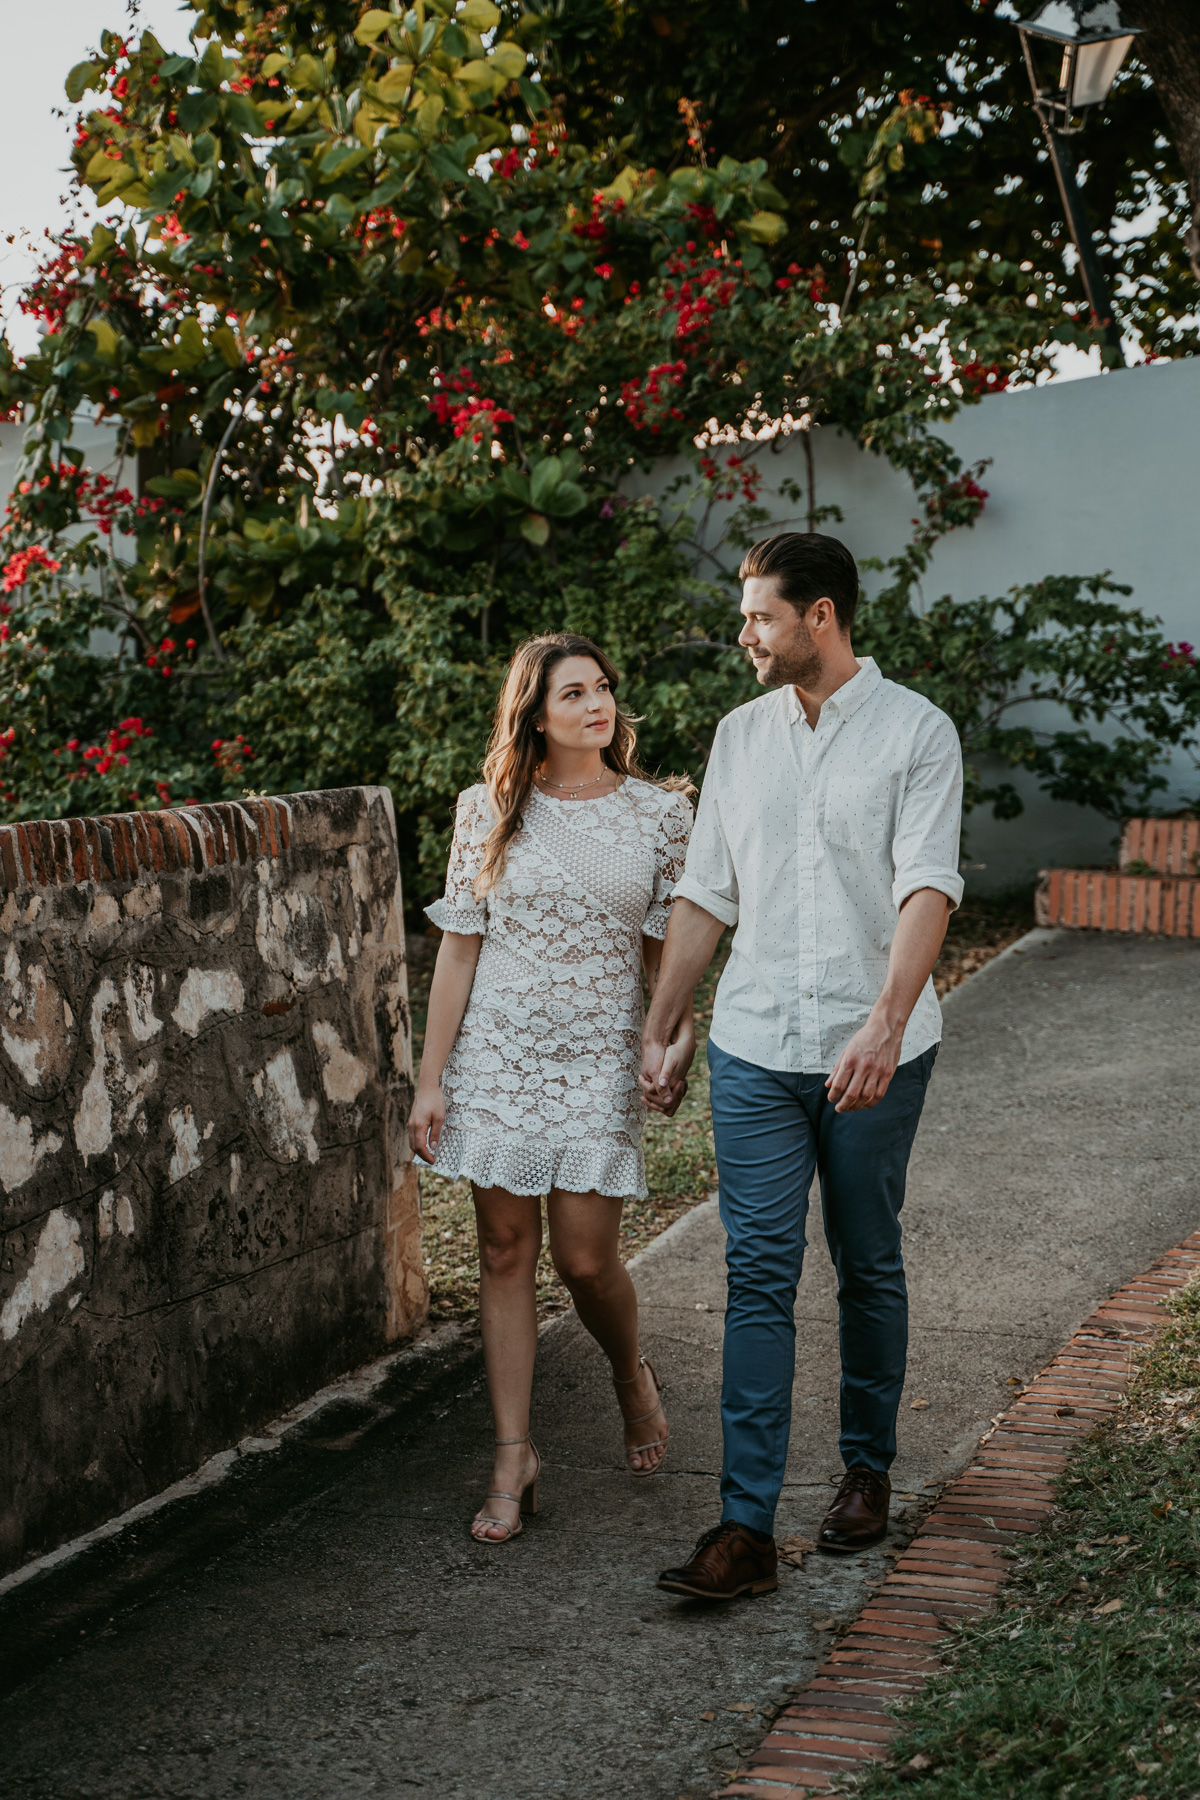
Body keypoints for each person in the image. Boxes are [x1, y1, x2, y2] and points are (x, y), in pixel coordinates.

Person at [642, 531, 964, 1601]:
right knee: (757, 1275)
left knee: (866, 1260)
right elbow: (708, 891)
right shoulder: (740, 738)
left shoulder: (917, 732)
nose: (745, 634)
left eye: (760, 617)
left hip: (877, 1050)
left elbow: (928, 885)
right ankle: (743, 1527)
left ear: (819, 617)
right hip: (756, 1044)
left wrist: (884, 1019)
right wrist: (667, 1018)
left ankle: (865, 1472)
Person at [409, 632, 695, 1544]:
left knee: (581, 1258)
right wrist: (431, 1080)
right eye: (574, 693)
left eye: (603, 688)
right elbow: (460, 948)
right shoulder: (486, 810)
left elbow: (668, 960)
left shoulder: (659, 815)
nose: (597, 705)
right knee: (502, 1249)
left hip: (596, 1056)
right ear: (534, 712)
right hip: (497, 1051)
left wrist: (673, 1041)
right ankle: (512, 1455)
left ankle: (628, 1373)